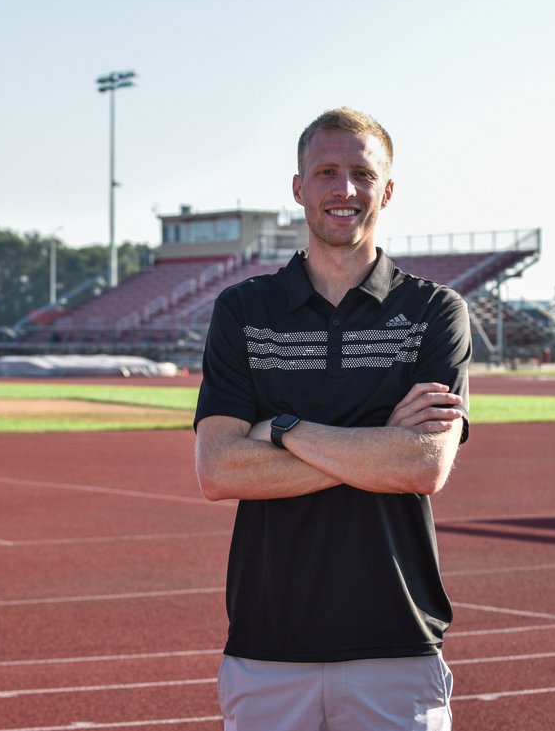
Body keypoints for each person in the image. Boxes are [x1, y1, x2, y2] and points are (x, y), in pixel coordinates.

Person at [193, 107, 472, 730]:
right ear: (299, 188)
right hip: (268, 645)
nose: (344, 190)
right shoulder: (243, 310)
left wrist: (284, 431)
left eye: (361, 174)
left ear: (387, 190)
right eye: (325, 172)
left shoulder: (434, 312)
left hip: (396, 642)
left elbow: (424, 466)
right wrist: (379, 450)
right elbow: (218, 470)